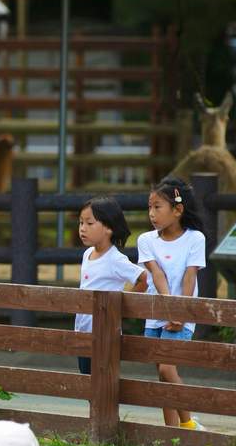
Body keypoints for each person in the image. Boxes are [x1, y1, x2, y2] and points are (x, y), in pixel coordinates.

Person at [137, 177, 207, 430]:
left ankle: (188, 423)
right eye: (149, 207)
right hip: (154, 315)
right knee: (162, 375)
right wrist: (169, 309)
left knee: (168, 369)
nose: (152, 214)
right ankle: (171, 430)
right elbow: (157, 275)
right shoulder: (146, 240)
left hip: (183, 314)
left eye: (158, 207)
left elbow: (191, 276)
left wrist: (180, 313)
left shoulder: (195, 238)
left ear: (177, 210)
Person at [74, 196, 148, 376]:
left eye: (89, 223)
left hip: (105, 333)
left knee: (102, 383)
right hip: (82, 330)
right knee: (86, 380)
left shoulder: (116, 259)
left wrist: (121, 305)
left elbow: (144, 278)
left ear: (108, 227)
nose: (83, 228)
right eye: (81, 223)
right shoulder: (88, 254)